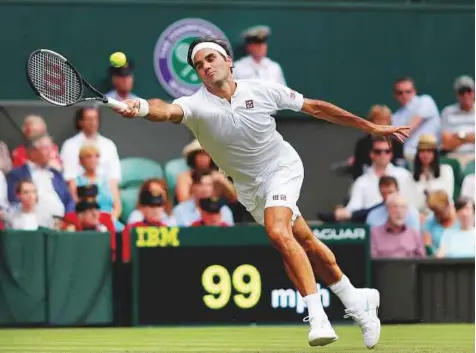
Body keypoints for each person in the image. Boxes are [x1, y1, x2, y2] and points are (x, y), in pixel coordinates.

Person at [113, 37, 410, 348]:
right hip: (249, 187)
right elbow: (165, 110)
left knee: (277, 230)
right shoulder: (195, 105)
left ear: (228, 61)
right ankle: (356, 299)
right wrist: (143, 106)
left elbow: (316, 109)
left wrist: (370, 127)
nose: (206, 66)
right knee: (303, 242)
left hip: (282, 168)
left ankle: (318, 315)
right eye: (199, 65)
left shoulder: (263, 89)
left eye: (211, 59)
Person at [6, 134, 74, 228]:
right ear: (32, 151)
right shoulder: (17, 174)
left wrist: (69, 218)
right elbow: (14, 201)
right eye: (46, 148)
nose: (50, 152)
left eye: (51, 148)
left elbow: (68, 199)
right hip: (31, 224)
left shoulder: (56, 173)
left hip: (60, 224)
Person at [342, 137, 417, 214]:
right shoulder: (361, 182)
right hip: (371, 223)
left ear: (391, 154)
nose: (383, 154)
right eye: (378, 151)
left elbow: (413, 204)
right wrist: (343, 212)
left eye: (387, 151)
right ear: (371, 154)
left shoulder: (404, 176)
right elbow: (353, 208)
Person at [68, 144, 122, 230]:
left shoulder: (109, 181)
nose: (93, 159)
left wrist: (110, 220)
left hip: (111, 222)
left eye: (96, 156)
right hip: (88, 224)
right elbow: (77, 207)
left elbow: (117, 207)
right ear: (81, 160)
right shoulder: (75, 182)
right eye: (88, 156)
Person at [60, 107, 121, 182]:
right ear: (80, 122)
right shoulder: (69, 145)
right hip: (79, 190)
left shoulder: (109, 145)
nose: (93, 123)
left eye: (95, 118)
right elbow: (69, 176)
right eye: (89, 119)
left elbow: (115, 175)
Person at [391, 77, 441, 162]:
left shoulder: (425, 101)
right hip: (407, 158)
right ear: (395, 95)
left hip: (430, 155)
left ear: (414, 91)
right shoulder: (396, 116)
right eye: (400, 93)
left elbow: (404, 133)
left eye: (408, 91)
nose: (404, 95)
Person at [351, 105, 405, 180]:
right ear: (371, 122)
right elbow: (357, 168)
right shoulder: (362, 143)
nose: (382, 123)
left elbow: (400, 165)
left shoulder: (397, 143)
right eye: (378, 120)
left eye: (385, 120)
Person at [175, 139, 236, 203]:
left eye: (206, 155)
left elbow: (234, 199)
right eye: (200, 155)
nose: (203, 159)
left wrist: (224, 182)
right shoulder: (185, 177)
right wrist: (198, 192)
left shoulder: (219, 176)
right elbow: (182, 203)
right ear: (193, 157)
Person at [370, 194, 426, 259]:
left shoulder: (415, 234)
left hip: (408, 268)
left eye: (403, 207)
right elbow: (371, 261)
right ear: (387, 209)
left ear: (407, 211)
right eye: (395, 207)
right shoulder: (374, 233)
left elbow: (422, 261)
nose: (399, 211)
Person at [412, 134, 454, 211]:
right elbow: (414, 201)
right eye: (422, 151)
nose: (425, 154)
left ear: (435, 153)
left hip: (443, 212)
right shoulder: (413, 175)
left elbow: (446, 196)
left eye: (429, 151)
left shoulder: (446, 170)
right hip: (421, 214)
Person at [440, 75, 475, 167]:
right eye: (462, 92)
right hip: (454, 158)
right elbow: (446, 144)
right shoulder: (448, 112)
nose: (466, 95)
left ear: (474, 92)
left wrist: (460, 136)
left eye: (468, 91)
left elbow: (452, 139)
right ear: (457, 94)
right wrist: (471, 138)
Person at [423, 190, 460, 255]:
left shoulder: (461, 219)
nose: (437, 216)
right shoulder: (430, 221)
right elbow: (427, 246)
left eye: (440, 212)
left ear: (448, 205)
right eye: (435, 212)